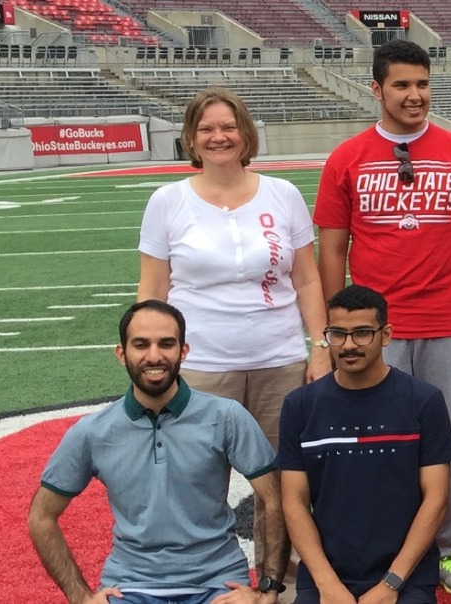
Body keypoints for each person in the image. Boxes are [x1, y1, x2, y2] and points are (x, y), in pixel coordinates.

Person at [313, 39, 451, 592]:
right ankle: (390, 550)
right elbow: (331, 251)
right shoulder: (346, 158)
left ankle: (450, 548)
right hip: (375, 328)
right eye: (402, 85)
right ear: (377, 89)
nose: (415, 95)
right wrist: (333, 332)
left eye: (422, 84)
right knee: (380, 440)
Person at [135, 88, 324, 576]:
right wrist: (150, 358)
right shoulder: (167, 201)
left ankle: (276, 584)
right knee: (194, 480)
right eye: (207, 129)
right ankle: (201, 580)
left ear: (246, 134)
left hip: (278, 360)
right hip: (200, 367)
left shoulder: (282, 193)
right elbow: (153, 286)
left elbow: (306, 277)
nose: (219, 137)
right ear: (192, 141)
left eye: (228, 126)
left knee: (283, 486)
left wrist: (319, 345)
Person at [29, 300, 287, 604]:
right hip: (130, 587)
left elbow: (275, 499)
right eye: (141, 344)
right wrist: (80, 596)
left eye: (166, 343)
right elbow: (41, 516)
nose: (154, 356)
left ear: (183, 351)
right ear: (121, 353)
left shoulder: (226, 416)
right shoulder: (92, 431)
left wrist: (268, 589)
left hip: (219, 584)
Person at [277, 286, 451, 604]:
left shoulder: (424, 400)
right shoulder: (299, 405)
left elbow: (436, 500)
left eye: (362, 333)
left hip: (406, 577)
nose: (348, 345)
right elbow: (294, 503)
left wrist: (391, 583)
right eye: (338, 334)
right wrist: (327, 584)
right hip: (326, 575)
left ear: (385, 334)